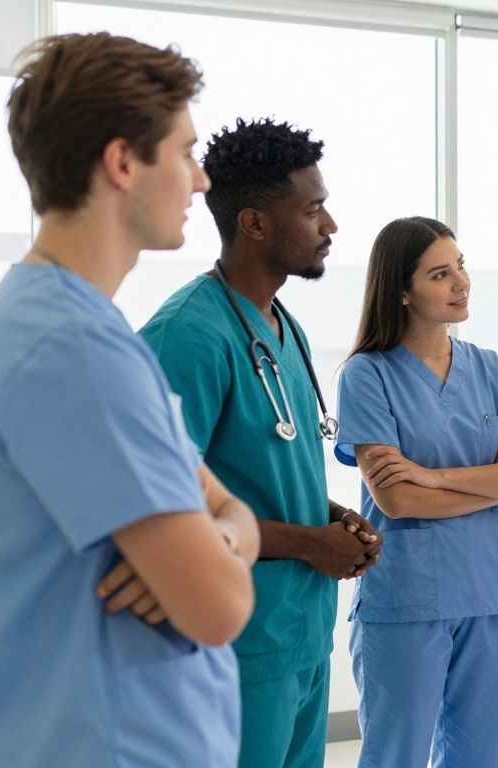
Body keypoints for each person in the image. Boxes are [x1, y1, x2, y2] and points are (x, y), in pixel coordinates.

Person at [0, 33, 260, 766]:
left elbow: (231, 514)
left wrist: (223, 538)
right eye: (185, 152)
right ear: (121, 162)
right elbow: (220, 606)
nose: (201, 180)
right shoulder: (75, 350)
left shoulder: (54, 322)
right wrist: (222, 544)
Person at [139, 117, 381, 768]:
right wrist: (309, 543)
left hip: (300, 636)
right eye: (313, 210)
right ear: (254, 224)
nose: (330, 226)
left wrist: (329, 518)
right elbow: (162, 510)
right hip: (232, 646)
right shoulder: (187, 336)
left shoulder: (283, 328)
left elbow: (257, 469)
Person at [334, 216, 498, 766]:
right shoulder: (366, 375)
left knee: (475, 757)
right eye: (439, 274)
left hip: (486, 592)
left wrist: (430, 475)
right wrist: (494, 481)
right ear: (402, 291)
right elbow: (397, 500)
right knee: (397, 755)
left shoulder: (491, 369)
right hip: (407, 599)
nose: (461, 282)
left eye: (461, 266)